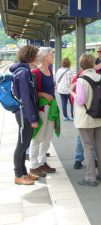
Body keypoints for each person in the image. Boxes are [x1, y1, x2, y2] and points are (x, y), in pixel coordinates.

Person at [70, 53, 101, 186]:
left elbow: (80, 101)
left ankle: (90, 178)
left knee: (88, 147)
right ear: (93, 64)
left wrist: (71, 91)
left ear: (81, 65)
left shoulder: (81, 80)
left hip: (86, 119)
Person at [10, 45, 39, 185]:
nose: (37, 58)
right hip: (24, 113)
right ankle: (18, 175)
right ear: (30, 57)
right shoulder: (23, 73)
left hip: (24, 112)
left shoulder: (25, 71)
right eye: (36, 55)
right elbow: (26, 98)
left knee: (25, 142)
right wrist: (32, 117)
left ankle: (24, 173)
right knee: (22, 144)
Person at [30, 47, 60, 177]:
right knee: (37, 137)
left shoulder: (49, 70)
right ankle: (33, 165)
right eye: (51, 54)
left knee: (47, 137)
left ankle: (42, 162)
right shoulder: (35, 72)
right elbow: (31, 92)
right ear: (44, 56)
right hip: (42, 108)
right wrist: (43, 94)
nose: (52, 55)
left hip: (51, 107)